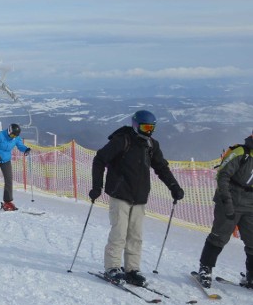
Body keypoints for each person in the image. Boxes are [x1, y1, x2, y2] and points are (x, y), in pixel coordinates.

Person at [90, 110, 184, 286]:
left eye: (152, 128)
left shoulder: (151, 145)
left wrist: (174, 186)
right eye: (145, 127)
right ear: (135, 125)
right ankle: (112, 267)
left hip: (140, 196)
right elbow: (99, 159)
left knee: (135, 235)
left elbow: (161, 168)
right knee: (119, 232)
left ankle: (132, 269)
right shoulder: (122, 140)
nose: (148, 131)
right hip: (120, 194)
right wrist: (97, 186)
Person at [196, 132, 253, 288]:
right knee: (219, 236)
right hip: (230, 198)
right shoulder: (241, 152)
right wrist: (227, 202)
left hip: (250, 203)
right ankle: (205, 268)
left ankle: (251, 276)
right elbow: (223, 176)